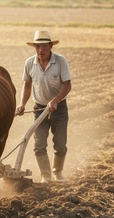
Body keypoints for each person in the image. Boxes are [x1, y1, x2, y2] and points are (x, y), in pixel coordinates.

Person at [15, 30, 72, 182]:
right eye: (37, 47)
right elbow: (27, 85)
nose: (41, 50)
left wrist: (55, 100)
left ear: (50, 46)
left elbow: (67, 85)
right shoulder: (30, 63)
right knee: (39, 144)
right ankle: (46, 175)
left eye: (44, 47)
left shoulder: (60, 61)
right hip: (39, 109)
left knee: (60, 145)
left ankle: (57, 172)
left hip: (59, 109)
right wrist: (21, 104)